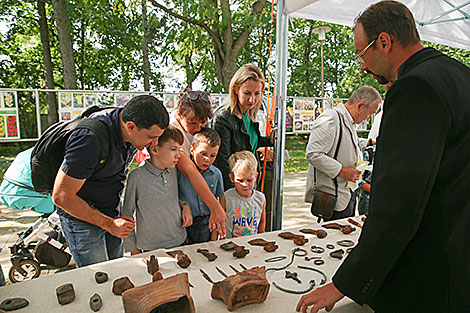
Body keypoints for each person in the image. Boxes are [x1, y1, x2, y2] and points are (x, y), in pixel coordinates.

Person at [296, 1, 470, 312]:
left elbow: (399, 202)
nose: (362, 66)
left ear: (385, 42)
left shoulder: (415, 87)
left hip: (428, 275)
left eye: (362, 54)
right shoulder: (459, 74)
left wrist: (343, 283)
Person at [52, 95, 167, 267]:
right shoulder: (89, 139)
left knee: (117, 271)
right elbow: (61, 196)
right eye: (151, 137)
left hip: (111, 214)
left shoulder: (127, 127)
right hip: (83, 221)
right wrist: (108, 224)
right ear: (131, 127)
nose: (155, 143)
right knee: (99, 279)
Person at [304, 86, 381, 221]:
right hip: (333, 199)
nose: (368, 118)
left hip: (346, 193)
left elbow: (350, 142)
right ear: (360, 106)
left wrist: (371, 142)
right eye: (370, 113)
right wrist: (342, 171)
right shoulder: (331, 119)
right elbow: (313, 154)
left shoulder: (346, 120)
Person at [123, 126, 192, 254]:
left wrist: (185, 205)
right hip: (149, 247)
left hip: (179, 240)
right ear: (154, 149)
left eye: (179, 149)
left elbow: (178, 194)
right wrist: (132, 248)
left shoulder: (174, 170)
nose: (178, 155)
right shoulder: (136, 177)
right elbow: (127, 214)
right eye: (173, 149)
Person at [212, 64, 274, 192]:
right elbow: (222, 161)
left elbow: (249, 141)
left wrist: (269, 140)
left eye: (257, 93)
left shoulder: (248, 113)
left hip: (249, 181)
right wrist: (235, 192)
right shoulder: (223, 118)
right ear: (235, 89)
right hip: (236, 187)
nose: (252, 99)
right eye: (247, 93)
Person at [177, 128, 224, 244]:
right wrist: (183, 204)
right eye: (203, 154)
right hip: (184, 222)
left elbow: (220, 198)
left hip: (206, 224)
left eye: (213, 155)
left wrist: (214, 234)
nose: (207, 159)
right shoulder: (181, 172)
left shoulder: (216, 174)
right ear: (192, 150)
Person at [219, 151, 266, 239]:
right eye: (240, 180)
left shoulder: (260, 198)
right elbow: (219, 221)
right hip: (230, 243)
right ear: (232, 178)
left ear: (256, 177)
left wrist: (260, 238)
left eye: (249, 180)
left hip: (252, 242)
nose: (245, 184)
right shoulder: (226, 197)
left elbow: (262, 222)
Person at [171, 90, 213, 155]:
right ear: (179, 115)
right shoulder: (170, 128)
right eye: (192, 123)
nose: (198, 129)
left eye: (203, 122)